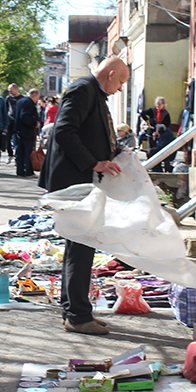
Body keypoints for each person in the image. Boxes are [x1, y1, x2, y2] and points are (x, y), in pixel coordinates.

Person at [38, 56, 129, 335]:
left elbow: (90, 134)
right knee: (82, 244)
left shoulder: (93, 92)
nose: (121, 89)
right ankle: (77, 316)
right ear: (111, 74)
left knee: (80, 246)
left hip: (78, 182)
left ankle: (75, 311)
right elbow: (65, 132)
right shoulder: (83, 89)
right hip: (73, 182)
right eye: (122, 81)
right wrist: (94, 162)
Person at [14, 88, 41, 177]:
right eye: (37, 97)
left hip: (19, 130)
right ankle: (28, 171)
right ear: (34, 95)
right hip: (27, 130)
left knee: (21, 151)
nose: (37, 100)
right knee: (28, 152)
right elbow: (24, 116)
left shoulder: (20, 101)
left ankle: (20, 171)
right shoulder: (28, 103)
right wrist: (34, 123)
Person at [4, 83, 22, 162]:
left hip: (19, 121)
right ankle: (10, 154)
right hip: (10, 121)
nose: (10, 92)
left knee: (18, 140)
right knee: (7, 139)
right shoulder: (8, 98)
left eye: (11, 90)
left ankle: (17, 157)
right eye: (9, 90)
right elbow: (5, 109)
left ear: (16, 89)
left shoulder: (22, 99)